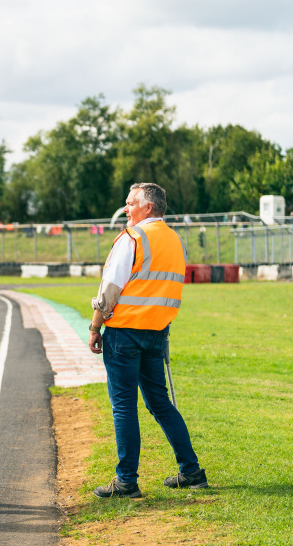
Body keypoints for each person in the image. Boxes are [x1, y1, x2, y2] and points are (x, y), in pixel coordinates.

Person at [88, 182, 207, 498]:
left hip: (124, 333)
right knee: (159, 403)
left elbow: (109, 290)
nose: (126, 208)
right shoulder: (175, 241)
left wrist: (94, 327)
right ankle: (191, 471)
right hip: (156, 334)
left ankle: (126, 481)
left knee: (123, 406)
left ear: (148, 207)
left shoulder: (133, 238)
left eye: (130, 203)